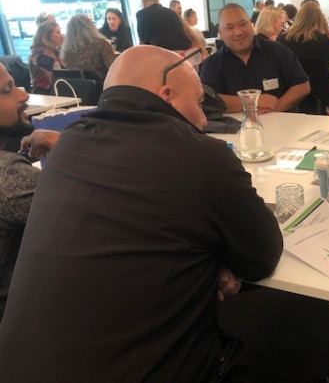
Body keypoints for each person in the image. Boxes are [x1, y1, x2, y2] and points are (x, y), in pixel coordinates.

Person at [0, 45, 283, 382]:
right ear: (167, 96)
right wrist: (214, 259)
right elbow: (261, 257)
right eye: (198, 103)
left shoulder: (65, 147)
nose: (205, 118)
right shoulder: (202, 155)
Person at [200, 3, 310, 114]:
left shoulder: (278, 51)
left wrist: (274, 110)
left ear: (251, 24)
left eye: (243, 24)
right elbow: (208, 101)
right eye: (230, 27)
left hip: (284, 123)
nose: (238, 32)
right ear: (220, 32)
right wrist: (252, 101)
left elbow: (302, 86)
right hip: (237, 128)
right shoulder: (212, 64)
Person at [0, 63, 37, 322]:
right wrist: (64, 148)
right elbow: (97, 206)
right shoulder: (8, 176)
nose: (23, 95)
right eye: (7, 89)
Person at [277, 1, 329, 115]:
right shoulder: (320, 39)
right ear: (320, 19)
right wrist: (328, 32)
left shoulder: (283, 38)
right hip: (319, 93)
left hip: (291, 93)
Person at [61, 14, 117, 81]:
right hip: (102, 86)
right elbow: (114, 69)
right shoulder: (101, 44)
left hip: (77, 88)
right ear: (90, 27)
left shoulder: (66, 50)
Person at [28, 20, 65, 94]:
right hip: (46, 94)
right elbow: (57, 78)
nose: (62, 36)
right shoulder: (42, 56)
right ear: (47, 36)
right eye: (58, 33)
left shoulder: (52, 52)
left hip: (53, 91)